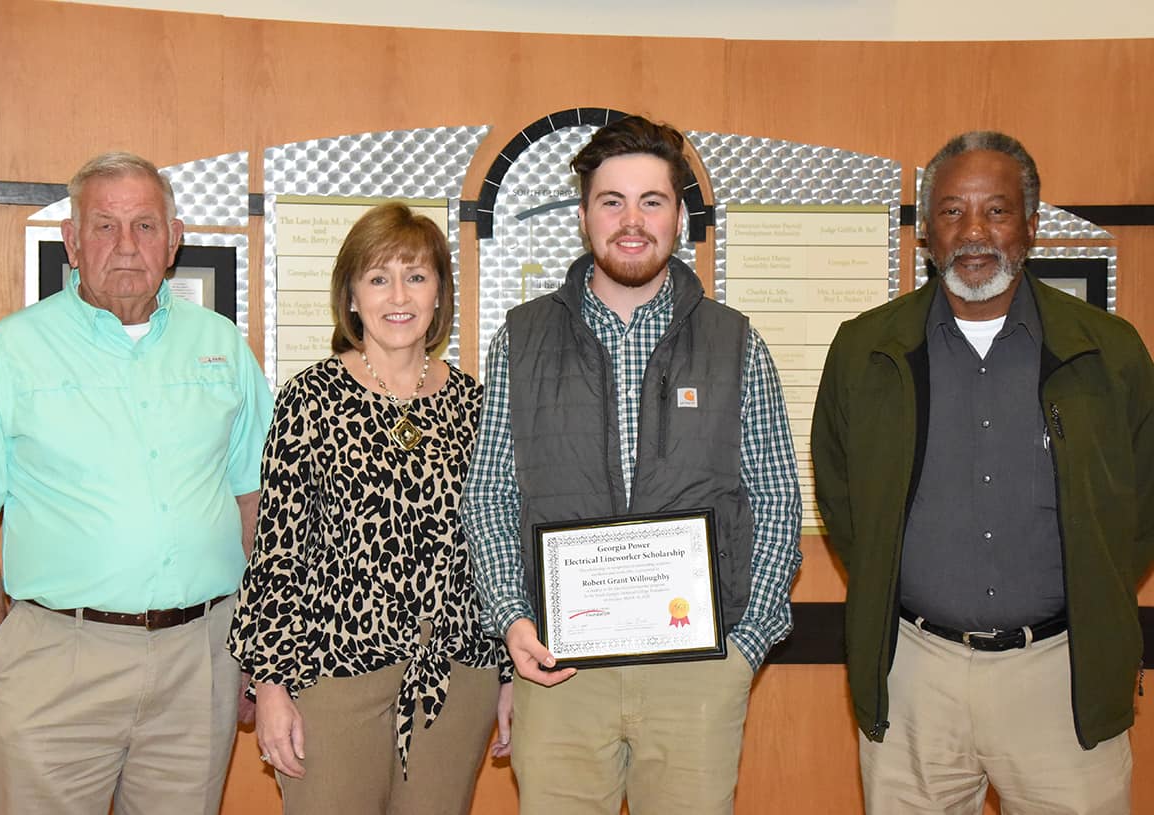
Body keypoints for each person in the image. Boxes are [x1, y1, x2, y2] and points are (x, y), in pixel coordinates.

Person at [461, 115, 802, 815]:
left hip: (696, 672)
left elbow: (775, 499)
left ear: (679, 215)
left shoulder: (735, 343)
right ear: (584, 215)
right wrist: (513, 620)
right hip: (561, 671)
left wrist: (745, 645)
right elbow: (489, 494)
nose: (632, 220)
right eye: (611, 200)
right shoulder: (520, 340)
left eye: (653, 200)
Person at [811, 130, 1154, 814]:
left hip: (1061, 678)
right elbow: (846, 504)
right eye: (950, 211)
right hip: (914, 678)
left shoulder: (1108, 353)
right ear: (925, 233)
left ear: (1030, 225)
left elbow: (1141, 510)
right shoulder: (864, 350)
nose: (974, 232)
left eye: (995, 210)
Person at [0, 151, 273, 815]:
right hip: (55, 663)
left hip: (201, 658)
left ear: (175, 236)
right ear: (71, 240)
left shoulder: (222, 347)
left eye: (145, 226)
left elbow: (256, 502)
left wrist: (257, 644)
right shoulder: (7, 353)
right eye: (104, 226)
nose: (126, 246)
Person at [229, 202, 511, 815]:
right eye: (378, 278)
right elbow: (279, 552)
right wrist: (269, 685)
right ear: (352, 296)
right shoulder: (312, 397)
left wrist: (509, 677)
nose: (398, 295)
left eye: (416, 276)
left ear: (440, 293)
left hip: (457, 676)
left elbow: (499, 541)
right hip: (332, 672)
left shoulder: (476, 404)